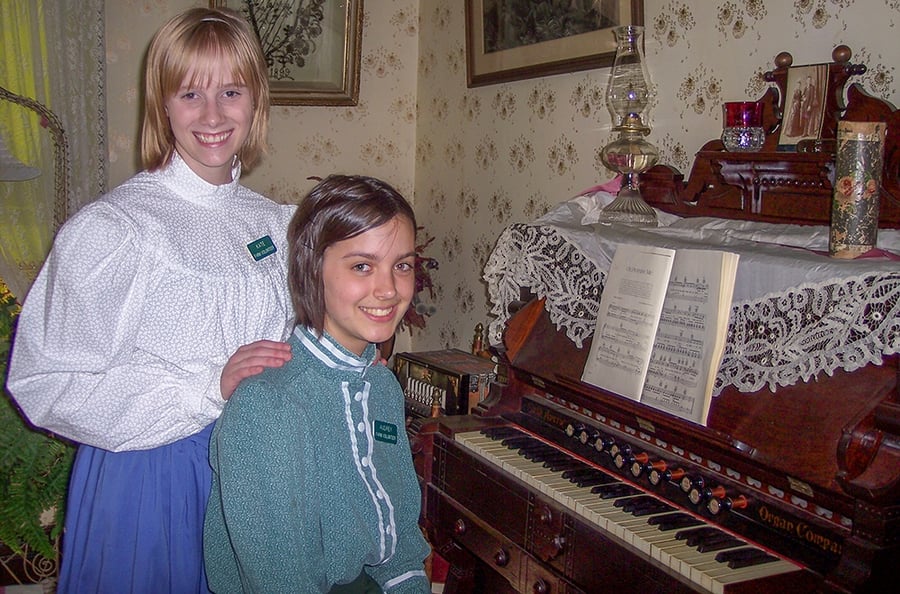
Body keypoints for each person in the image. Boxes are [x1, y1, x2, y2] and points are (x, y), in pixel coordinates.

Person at [6, 7, 294, 593]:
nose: (212, 115)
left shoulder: (279, 225)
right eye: (190, 93)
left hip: (257, 476)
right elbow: (45, 382)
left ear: (256, 101)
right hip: (150, 478)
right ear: (162, 104)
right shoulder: (116, 229)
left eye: (231, 91)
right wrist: (206, 387)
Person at [204, 175, 431, 593]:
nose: (388, 289)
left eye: (402, 265)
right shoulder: (269, 405)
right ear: (313, 267)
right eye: (362, 266)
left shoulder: (381, 387)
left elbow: (400, 550)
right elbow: (281, 583)